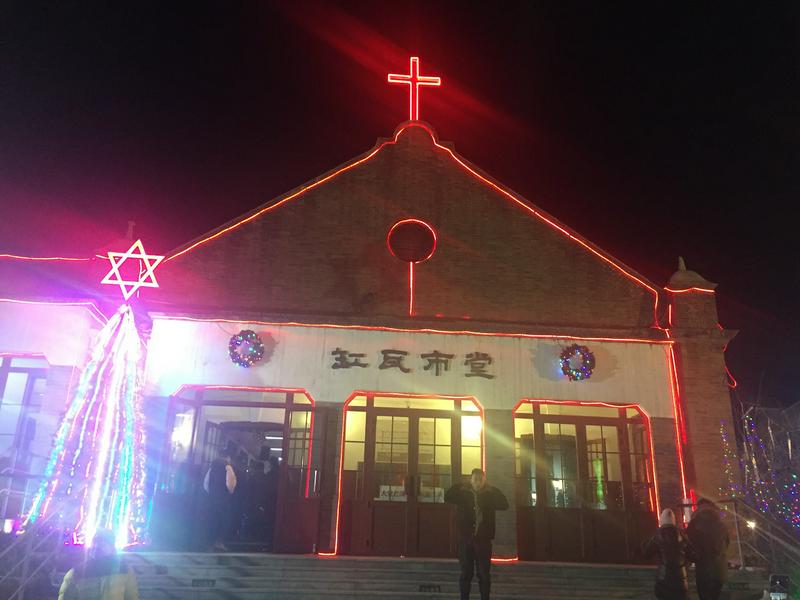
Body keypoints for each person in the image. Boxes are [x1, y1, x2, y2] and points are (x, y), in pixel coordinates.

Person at [444, 468, 509, 600]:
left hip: (483, 541)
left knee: (484, 574)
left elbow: (504, 504)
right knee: (466, 574)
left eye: (480, 479)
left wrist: (493, 490)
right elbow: (448, 497)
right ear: (471, 480)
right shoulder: (463, 493)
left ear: (484, 480)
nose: (477, 482)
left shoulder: (490, 494)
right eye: (475, 479)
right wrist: (460, 484)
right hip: (466, 539)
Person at [58, 529, 139, 600]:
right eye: (96, 542)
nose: (98, 545)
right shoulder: (76, 573)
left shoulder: (125, 570)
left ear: (112, 547)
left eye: (103, 542)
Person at [642, 509, 692, 600]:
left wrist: (644, 543)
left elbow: (647, 553)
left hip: (663, 579)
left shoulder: (657, 535)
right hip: (681, 580)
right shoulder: (682, 534)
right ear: (674, 520)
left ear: (661, 520)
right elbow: (693, 555)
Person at [687, 498, 730, 600]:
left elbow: (688, 543)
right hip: (719, 570)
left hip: (703, 570)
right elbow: (727, 544)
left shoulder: (694, 524)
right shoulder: (722, 524)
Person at [203, 451, 237, 551]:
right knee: (224, 519)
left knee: (213, 519)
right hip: (223, 497)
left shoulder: (212, 467)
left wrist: (211, 492)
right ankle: (219, 542)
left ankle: (210, 541)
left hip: (212, 497)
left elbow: (206, 483)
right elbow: (230, 483)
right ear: (227, 457)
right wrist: (229, 492)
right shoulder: (228, 467)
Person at [263, 455, 280, 550]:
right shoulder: (282, 473)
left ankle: (270, 544)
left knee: (269, 524)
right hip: (279, 501)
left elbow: (266, 489)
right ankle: (277, 542)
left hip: (270, 502)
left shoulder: (270, 475)